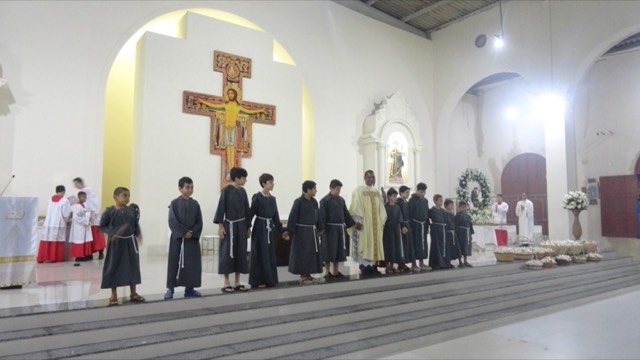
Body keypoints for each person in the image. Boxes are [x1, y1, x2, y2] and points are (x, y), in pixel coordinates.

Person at [196, 88, 266, 172]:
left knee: (232, 149)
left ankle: (231, 169)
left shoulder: (238, 107)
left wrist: (261, 110)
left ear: (235, 95)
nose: (230, 95)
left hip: (233, 129)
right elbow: (214, 105)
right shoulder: (226, 105)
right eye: (229, 94)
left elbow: (249, 111)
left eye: (232, 93)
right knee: (228, 148)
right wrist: (202, 101)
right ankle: (230, 169)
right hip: (226, 128)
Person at [100, 187, 145, 306]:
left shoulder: (131, 210)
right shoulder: (110, 211)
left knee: (132, 266)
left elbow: (135, 224)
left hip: (130, 243)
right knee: (113, 266)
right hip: (116, 244)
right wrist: (113, 232)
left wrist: (138, 234)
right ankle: (113, 294)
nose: (127, 198)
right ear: (116, 197)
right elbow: (102, 226)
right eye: (124, 195)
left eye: (128, 196)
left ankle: (133, 292)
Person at [213, 167, 252, 293]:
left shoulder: (243, 192)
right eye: (244, 178)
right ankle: (226, 282)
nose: (245, 180)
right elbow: (221, 208)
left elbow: (247, 210)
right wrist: (220, 226)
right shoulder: (226, 191)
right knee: (227, 252)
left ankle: (237, 281)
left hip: (241, 226)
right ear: (237, 178)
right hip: (229, 225)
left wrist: (248, 227)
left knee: (240, 252)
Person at [165, 176, 203, 300]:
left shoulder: (195, 204)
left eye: (192, 187)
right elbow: (172, 220)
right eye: (187, 187)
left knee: (192, 264)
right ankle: (170, 288)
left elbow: (199, 221)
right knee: (174, 263)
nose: (190, 190)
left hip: (191, 240)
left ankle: (190, 289)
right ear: (180, 188)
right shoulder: (174, 203)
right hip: (178, 240)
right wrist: (182, 232)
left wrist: (192, 232)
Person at [283, 180, 324, 284]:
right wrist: (289, 231)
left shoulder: (314, 202)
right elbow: (293, 216)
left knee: (311, 254)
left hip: (312, 231)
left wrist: (321, 228)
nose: (316, 190)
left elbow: (317, 216)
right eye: (314, 188)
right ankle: (302, 276)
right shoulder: (298, 202)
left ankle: (309, 275)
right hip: (301, 232)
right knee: (303, 254)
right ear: (308, 189)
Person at [248, 173, 283, 288]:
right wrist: (247, 227)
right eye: (270, 182)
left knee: (269, 254)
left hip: (269, 228)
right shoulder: (257, 197)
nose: (273, 184)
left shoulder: (273, 199)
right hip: (260, 228)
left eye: (273, 182)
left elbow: (276, 216)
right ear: (264, 184)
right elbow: (251, 213)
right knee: (259, 253)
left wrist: (281, 231)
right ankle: (258, 280)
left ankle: (270, 279)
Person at [349, 170, 386, 276]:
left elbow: (381, 209)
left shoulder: (376, 192)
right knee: (365, 244)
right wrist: (357, 221)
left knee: (374, 245)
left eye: (373, 177)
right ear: (364, 179)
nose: (371, 179)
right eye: (369, 177)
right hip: (364, 224)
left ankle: (373, 266)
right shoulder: (359, 191)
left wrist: (384, 199)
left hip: (375, 225)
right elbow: (355, 206)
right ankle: (364, 266)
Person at [319, 179, 356, 279]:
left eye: (340, 189)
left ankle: (335, 270)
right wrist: (321, 229)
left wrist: (352, 223)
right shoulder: (324, 201)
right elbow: (321, 215)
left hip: (339, 229)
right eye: (337, 189)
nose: (339, 191)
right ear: (331, 188)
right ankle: (327, 271)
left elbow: (346, 214)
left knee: (337, 250)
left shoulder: (341, 200)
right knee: (328, 250)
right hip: (329, 229)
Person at [73, 177, 106, 259]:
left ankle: (100, 252)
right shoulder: (87, 191)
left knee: (96, 236)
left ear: (79, 183)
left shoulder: (86, 190)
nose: (75, 186)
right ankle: (90, 253)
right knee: (91, 236)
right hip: (90, 215)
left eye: (75, 184)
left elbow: (79, 199)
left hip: (93, 214)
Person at [37, 185, 71, 263]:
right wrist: (68, 220)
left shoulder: (50, 199)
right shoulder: (65, 200)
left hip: (49, 223)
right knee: (57, 241)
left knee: (47, 239)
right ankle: (54, 258)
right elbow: (66, 214)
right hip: (58, 223)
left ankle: (43, 257)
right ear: (63, 191)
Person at [383, 187, 407, 274]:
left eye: (396, 196)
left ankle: (393, 264)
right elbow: (383, 218)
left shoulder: (397, 207)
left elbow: (400, 218)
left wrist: (402, 226)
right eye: (393, 196)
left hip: (396, 229)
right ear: (389, 197)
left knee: (396, 247)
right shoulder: (385, 207)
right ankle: (387, 265)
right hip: (387, 229)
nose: (395, 198)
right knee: (388, 247)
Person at [408, 182, 431, 272]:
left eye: (424, 192)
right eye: (421, 191)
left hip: (423, 225)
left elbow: (427, 213)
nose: (422, 193)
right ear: (417, 190)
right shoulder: (412, 200)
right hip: (415, 226)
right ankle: (414, 264)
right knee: (414, 244)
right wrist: (410, 225)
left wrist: (427, 225)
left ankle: (421, 262)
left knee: (423, 244)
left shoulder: (425, 201)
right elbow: (409, 213)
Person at [68, 191, 94, 262]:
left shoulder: (83, 205)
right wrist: (86, 220)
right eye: (83, 197)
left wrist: (89, 218)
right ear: (79, 197)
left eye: (85, 197)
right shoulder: (77, 206)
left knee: (85, 240)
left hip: (84, 226)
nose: (85, 198)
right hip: (79, 227)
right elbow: (76, 217)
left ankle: (85, 255)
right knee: (79, 241)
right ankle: (78, 256)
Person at [428, 194, 451, 270]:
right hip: (436, 230)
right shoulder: (431, 210)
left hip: (443, 230)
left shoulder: (443, 211)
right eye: (440, 200)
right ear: (435, 201)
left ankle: (445, 262)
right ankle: (436, 263)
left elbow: (446, 221)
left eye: (442, 200)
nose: (441, 202)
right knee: (436, 246)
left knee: (443, 246)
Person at [397, 185, 413, 272]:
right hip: (402, 225)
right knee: (402, 245)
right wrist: (402, 225)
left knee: (407, 245)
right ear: (401, 193)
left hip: (407, 224)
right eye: (406, 192)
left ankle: (405, 262)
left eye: (408, 193)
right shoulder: (399, 202)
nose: (408, 194)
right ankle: (401, 263)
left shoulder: (406, 202)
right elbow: (400, 215)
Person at [455, 201, 474, 267]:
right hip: (461, 234)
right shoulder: (457, 216)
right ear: (459, 207)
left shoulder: (468, 216)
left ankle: (465, 261)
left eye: (465, 207)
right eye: (462, 207)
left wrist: (471, 234)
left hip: (467, 234)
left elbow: (470, 225)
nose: (464, 209)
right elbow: (456, 225)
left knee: (466, 248)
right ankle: (460, 261)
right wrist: (457, 234)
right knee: (460, 247)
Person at [444, 199, 461, 268]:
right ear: (446, 205)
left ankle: (460, 261)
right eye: (450, 205)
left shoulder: (452, 214)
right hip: (448, 233)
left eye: (452, 205)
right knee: (448, 248)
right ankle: (448, 262)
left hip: (453, 233)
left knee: (456, 248)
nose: (452, 206)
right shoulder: (444, 214)